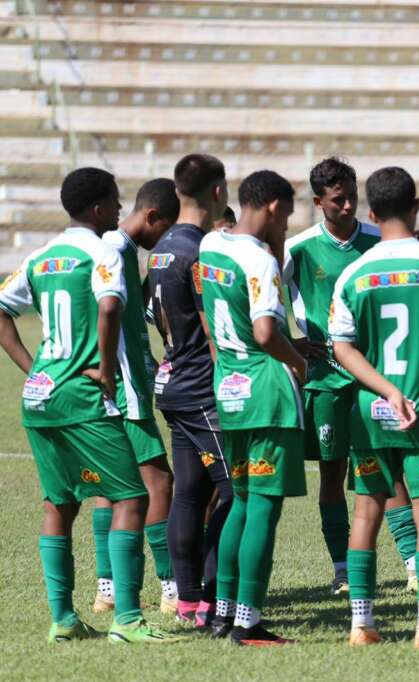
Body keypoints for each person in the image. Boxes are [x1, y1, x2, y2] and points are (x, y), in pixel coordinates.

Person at [0, 167, 176, 643]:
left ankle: (62, 619)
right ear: (99, 209)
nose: (120, 211)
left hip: (40, 396)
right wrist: (104, 368)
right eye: (116, 203)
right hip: (82, 395)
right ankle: (128, 619)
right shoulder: (103, 251)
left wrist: (34, 368)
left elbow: (1, 307)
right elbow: (110, 305)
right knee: (132, 496)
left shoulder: (41, 256)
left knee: (58, 503)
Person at [329, 166, 419, 648]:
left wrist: (384, 391)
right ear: (416, 206)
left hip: (370, 411)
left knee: (366, 513)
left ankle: (361, 626)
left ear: (369, 212)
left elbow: (342, 347)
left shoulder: (352, 273)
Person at [283, 157, 419, 596]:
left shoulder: (379, 241)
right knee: (331, 473)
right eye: (337, 200)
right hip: (324, 378)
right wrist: (290, 340)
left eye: (351, 198)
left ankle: (414, 563)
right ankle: (342, 568)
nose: (347, 207)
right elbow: (260, 294)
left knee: (385, 468)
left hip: (371, 375)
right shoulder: (298, 249)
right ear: (319, 201)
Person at [200, 170, 308, 646]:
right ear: (271, 206)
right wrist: (300, 362)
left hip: (230, 387)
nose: (287, 222)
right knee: (263, 505)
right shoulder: (258, 259)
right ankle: (248, 622)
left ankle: (222, 613)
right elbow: (266, 332)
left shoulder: (211, 245)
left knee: (239, 501)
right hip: (266, 391)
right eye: (286, 213)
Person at [149, 154, 234, 627]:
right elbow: (212, 327)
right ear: (218, 192)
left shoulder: (161, 247)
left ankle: (188, 602)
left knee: (189, 492)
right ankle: (216, 602)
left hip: (172, 381)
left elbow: (153, 316)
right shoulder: (201, 252)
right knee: (236, 490)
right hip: (202, 388)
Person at [91, 179, 181, 619]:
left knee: (110, 488)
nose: (165, 240)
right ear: (151, 217)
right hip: (124, 387)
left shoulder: (119, 252)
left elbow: (128, 310)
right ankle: (171, 586)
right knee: (159, 483)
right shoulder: (114, 248)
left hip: (118, 384)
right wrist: (115, 369)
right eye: (165, 228)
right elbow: (107, 312)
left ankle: (106, 589)